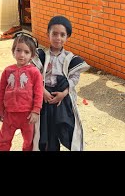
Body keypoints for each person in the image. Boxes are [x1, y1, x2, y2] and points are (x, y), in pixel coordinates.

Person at [31, 16, 90, 151]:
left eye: (62, 35)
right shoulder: (40, 55)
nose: (58, 38)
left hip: (61, 99)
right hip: (43, 97)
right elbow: (33, 75)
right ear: (48, 34)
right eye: (55, 34)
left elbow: (74, 78)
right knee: (46, 130)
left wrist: (63, 94)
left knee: (65, 127)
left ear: (67, 36)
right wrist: (43, 91)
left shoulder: (70, 58)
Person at [0, 33, 43, 151]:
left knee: (28, 142)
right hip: (10, 114)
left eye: (26, 52)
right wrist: (1, 109)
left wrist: (35, 111)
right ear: (13, 51)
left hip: (27, 115)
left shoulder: (34, 72)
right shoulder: (7, 71)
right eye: (18, 50)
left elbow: (39, 93)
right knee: (3, 140)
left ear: (32, 55)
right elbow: (1, 91)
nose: (22, 55)